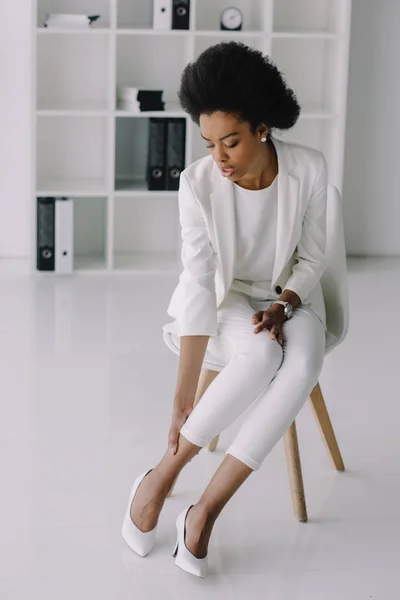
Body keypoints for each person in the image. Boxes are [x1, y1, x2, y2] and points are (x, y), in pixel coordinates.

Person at [122, 41, 330, 577]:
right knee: (262, 357)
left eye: (231, 142)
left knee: (304, 363)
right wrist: (182, 393)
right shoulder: (197, 185)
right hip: (229, 296)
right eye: (209, 142)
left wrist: (286, 302)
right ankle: (161, 477)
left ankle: (205, 510)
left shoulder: (308, 168)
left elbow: (313, 257)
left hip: (291, 294)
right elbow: (198, 283)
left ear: (262, 127)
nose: (219, 158)